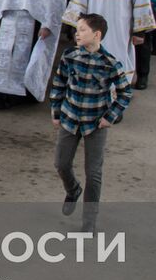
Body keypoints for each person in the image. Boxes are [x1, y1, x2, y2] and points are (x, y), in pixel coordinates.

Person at [49, 14, 134, 233]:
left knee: (93, 173)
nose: (77, 33)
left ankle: (89, 222)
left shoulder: (110, 63)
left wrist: (110, 116)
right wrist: (56, 111)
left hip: (95, 124)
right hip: (69, 119)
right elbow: (59, 83)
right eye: (77, 29)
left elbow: (125, 92)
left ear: (97, 35)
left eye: (83, 30)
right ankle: (73, 189)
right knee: (61, 163)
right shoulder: (70, 56)